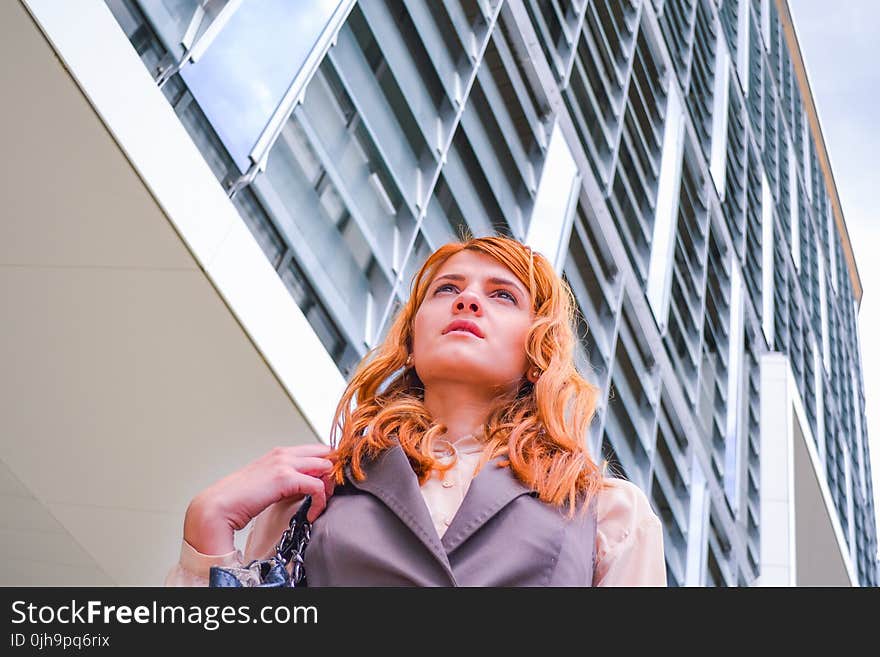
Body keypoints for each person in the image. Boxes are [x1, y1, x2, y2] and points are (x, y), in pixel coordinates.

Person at [167, 235, 666, 586]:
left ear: (538, 354)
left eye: (502, 295)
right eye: (446, 289)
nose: (468, 299)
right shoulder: (317, 491)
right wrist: (208, 527)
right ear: (410, 340)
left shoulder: (608, 513)